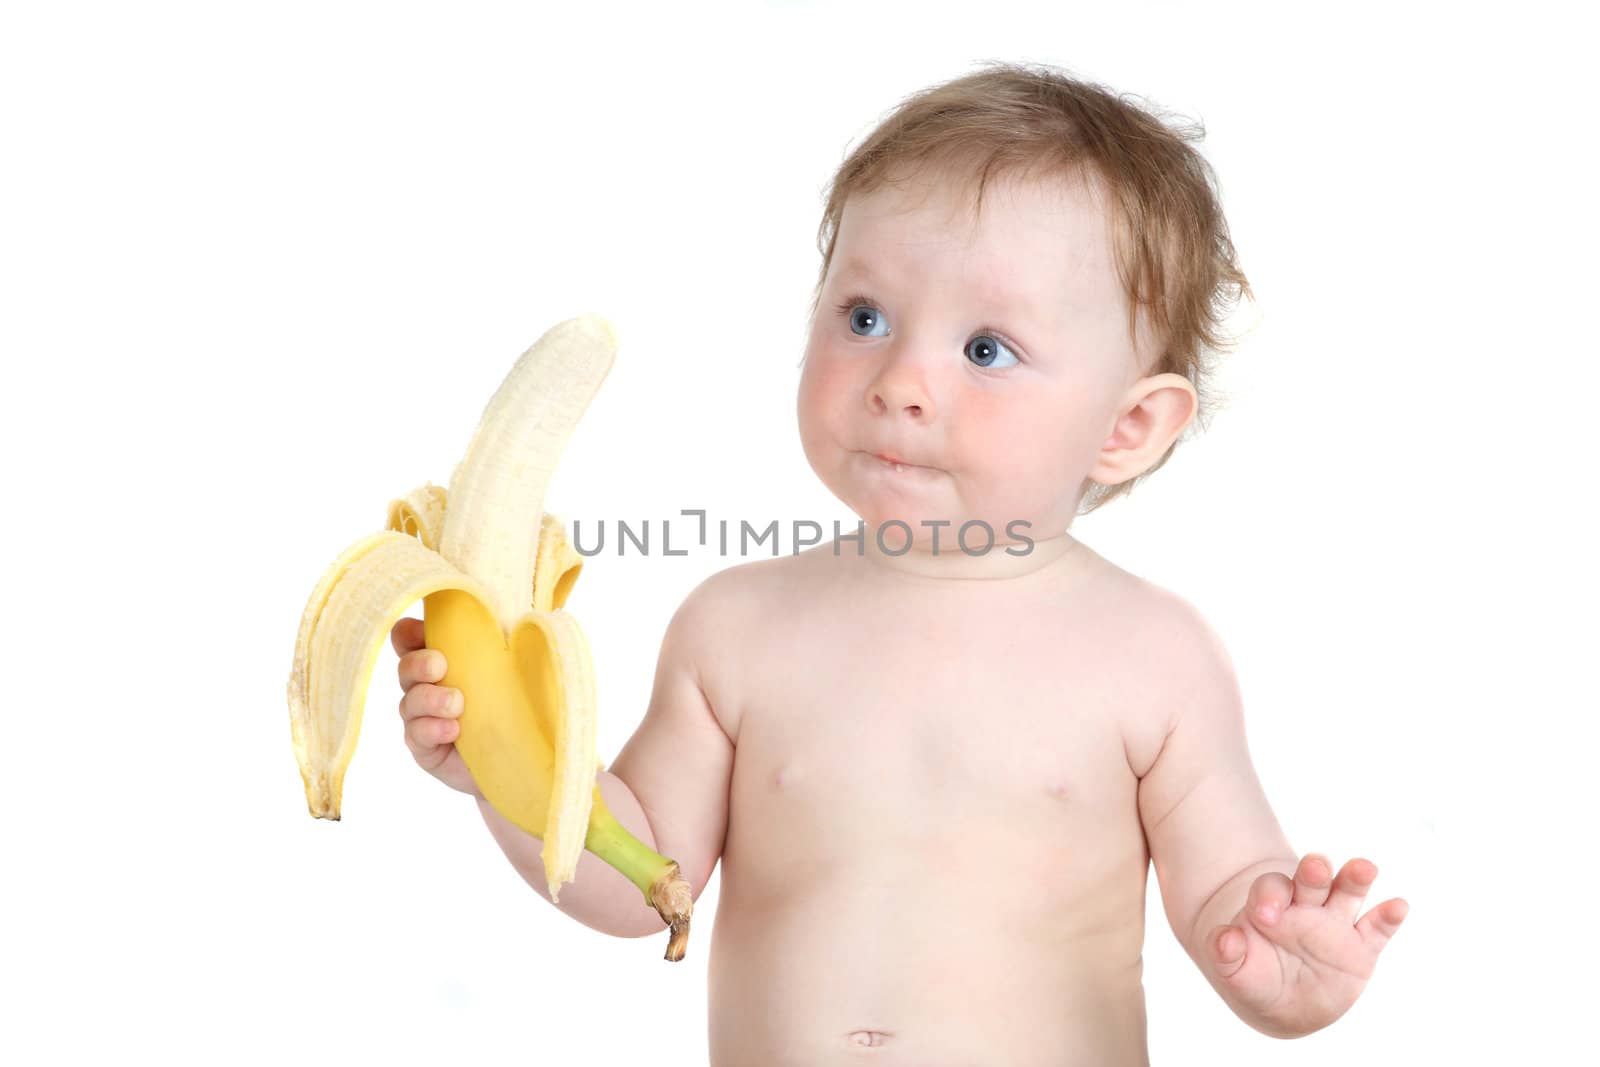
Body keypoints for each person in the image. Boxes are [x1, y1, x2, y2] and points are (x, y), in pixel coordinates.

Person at [390, 60, 1408, 1064]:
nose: (900, 380)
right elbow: (633, 876)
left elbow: (1230, 888)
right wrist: (503, 769)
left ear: (1128, 425)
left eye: (985, 349)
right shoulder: (733, 627)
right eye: (865, 317)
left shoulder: (1155, 655)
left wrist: (1279, 957)